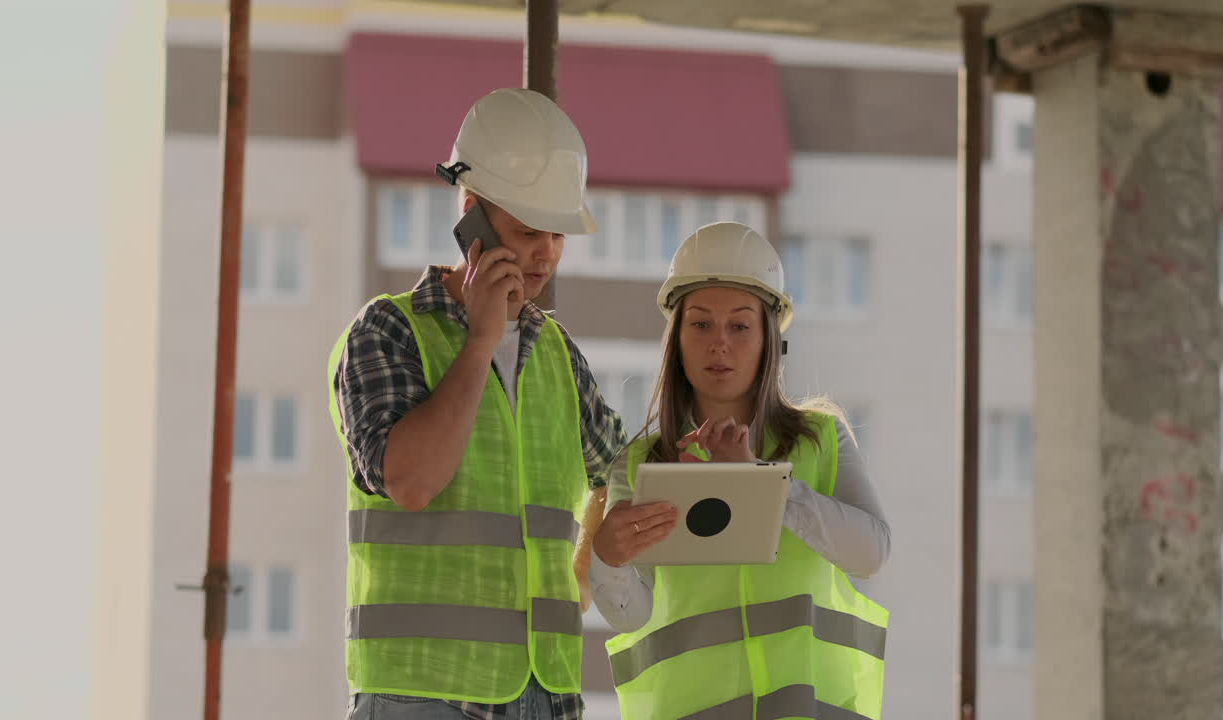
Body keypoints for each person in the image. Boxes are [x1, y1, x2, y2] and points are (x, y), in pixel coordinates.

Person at [328, 88, 628, 720]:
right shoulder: (387, 332)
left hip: (545, 695)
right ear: (473, 217)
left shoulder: (556, 354)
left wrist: (579, 578)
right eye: (526, 231)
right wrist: (482, 339)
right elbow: (411, 480)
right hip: (422, 695)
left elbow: (622, 473)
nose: (545, 253)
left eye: (557, 233)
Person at [583, 222, 893, 720]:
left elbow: (871, 553)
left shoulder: (821, 439)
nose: (719, 343)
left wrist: (765, 483)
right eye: (700, 324)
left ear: (769, 338)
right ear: (677, 341)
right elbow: (632, 616)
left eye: (740, 325)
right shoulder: (640, 465)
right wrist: (607, 558)